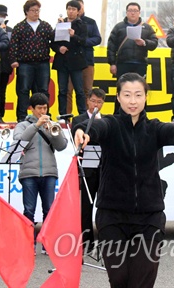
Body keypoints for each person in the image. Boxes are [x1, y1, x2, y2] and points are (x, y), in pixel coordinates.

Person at [73, 73, 174, 288]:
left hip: (149, 218)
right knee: (119, 279)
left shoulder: (154, 128)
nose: (132, 101)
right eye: (127, 95)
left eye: (138, 95)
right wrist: (81, 130)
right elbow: (96, 128)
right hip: (112, 216)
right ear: (118, 97)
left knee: (141, 280)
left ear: (146, 97)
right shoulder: (111, 125)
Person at [13, 93, 68, 255]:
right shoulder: (22, 125)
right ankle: (28, 243)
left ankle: (47, 243)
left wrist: (52, 132)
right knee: (29, 209)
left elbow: (62, 146)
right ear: (32, 109)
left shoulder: (52, 124)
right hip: (29, 172)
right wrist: (36, 125)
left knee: (49, 209)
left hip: (49, 172)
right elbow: (20, 140)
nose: (43, 111)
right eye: (39, 108)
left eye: (45, 108)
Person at [71, 88, 106, 255]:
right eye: (93, 101)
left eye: (99, 102)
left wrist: (100, 122)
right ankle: (87, 242)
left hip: (105, 169)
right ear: (87, 101)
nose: (96, 105)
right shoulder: (78, 119)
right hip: (86, 170)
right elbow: (76, 137)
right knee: (86, 207)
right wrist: (94, 123)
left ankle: (105, 241)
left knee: (105, 206)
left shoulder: (106, 120)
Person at [9, 0, 55, 122]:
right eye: (33, 10)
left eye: (38, 10)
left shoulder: (45, 26)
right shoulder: (19, 27)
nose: (36, 13)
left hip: (43, 63)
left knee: (43, 91)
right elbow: (13, 45)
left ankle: (44, 117)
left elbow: (54, 41)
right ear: (26, 12)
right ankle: (22, 118)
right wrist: (13, 60)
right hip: (25, 63)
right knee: (23, 90)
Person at [66, 0, 102, 115]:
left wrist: (83, 41)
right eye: (72, 8)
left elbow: (97, 39)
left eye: (79, 6)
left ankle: (88, 117)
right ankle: (67, 118)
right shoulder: (65, 22)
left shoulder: (90, 22)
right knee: (68, 91)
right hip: (70, 61)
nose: (76, 9)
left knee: (87, 90)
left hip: (86, 59)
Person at [52, 0, 88, 116]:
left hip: (76, 61)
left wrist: (74, 35)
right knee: (62, 90)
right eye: (69, 9)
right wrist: (59, 48)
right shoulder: (61, 24)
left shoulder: (82, 25)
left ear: (78, 12)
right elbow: (52, 42)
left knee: (79, 90)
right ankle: (63, 115)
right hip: (62, 60)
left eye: (73, 9)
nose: (71, 11)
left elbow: (83, 41)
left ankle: (82, 114)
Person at [0, 4, 14, 123]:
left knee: (2, 92)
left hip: (5, 66)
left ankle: (0, 115)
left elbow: (11, 47)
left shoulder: (10, 30)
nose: (1, 17)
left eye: (3, 15)